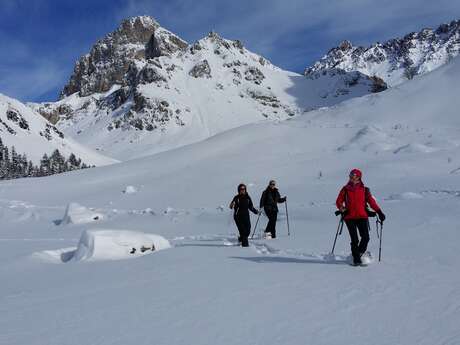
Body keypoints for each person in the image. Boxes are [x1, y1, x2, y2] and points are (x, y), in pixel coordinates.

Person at [336, 169, 386, 266]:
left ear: (359, 177)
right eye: (350, 175)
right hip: (349, 217)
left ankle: (358, 254)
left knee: (366, 237)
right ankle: (356, 259)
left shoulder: (364, 190)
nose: (351, 177)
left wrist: (379, 212)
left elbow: (371, 202)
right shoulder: (345, 189)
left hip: (362, 216)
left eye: (354, 175)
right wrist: (342, 208)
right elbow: (339, 201)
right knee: (354, 239)